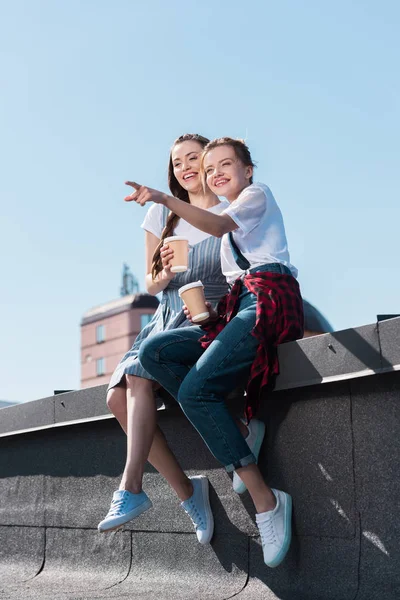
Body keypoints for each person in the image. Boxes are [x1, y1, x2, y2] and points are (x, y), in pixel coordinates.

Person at [126, 137, 304, 568]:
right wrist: (171, 276)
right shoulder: (221, 219)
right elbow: (211, 243)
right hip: (238, 306)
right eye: (210, 169)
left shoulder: (255, 197)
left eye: (226, 164)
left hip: (269, 298)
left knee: (195, 392)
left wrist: (165, 198)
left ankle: (267, 502)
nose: (215, 173)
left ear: (248, 170)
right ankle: (241, 434)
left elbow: (217, 226)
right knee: (153, 352)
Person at [97, 134, 230, 543]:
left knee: (132, 382)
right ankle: (188, 493)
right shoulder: (160, 216)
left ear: (209, 161)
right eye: (177, 163)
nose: (185, 168)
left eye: (194, 158)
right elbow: (153, 285)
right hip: (167, 314)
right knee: (115, 396)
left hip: (210, 314)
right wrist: (167, 272)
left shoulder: (228, 211)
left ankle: (132, 487)